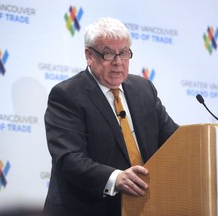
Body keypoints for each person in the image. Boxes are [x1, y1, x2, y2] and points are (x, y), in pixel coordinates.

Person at [43, 17, 179, 216]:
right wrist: (116, 178)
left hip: (143, 206)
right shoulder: (67, 95)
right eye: (108, 54)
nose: (117, 63)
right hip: (87, 208)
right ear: (89, 55)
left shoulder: (144, 89)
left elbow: (174, 140)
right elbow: (69, 158)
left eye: (123, 53)